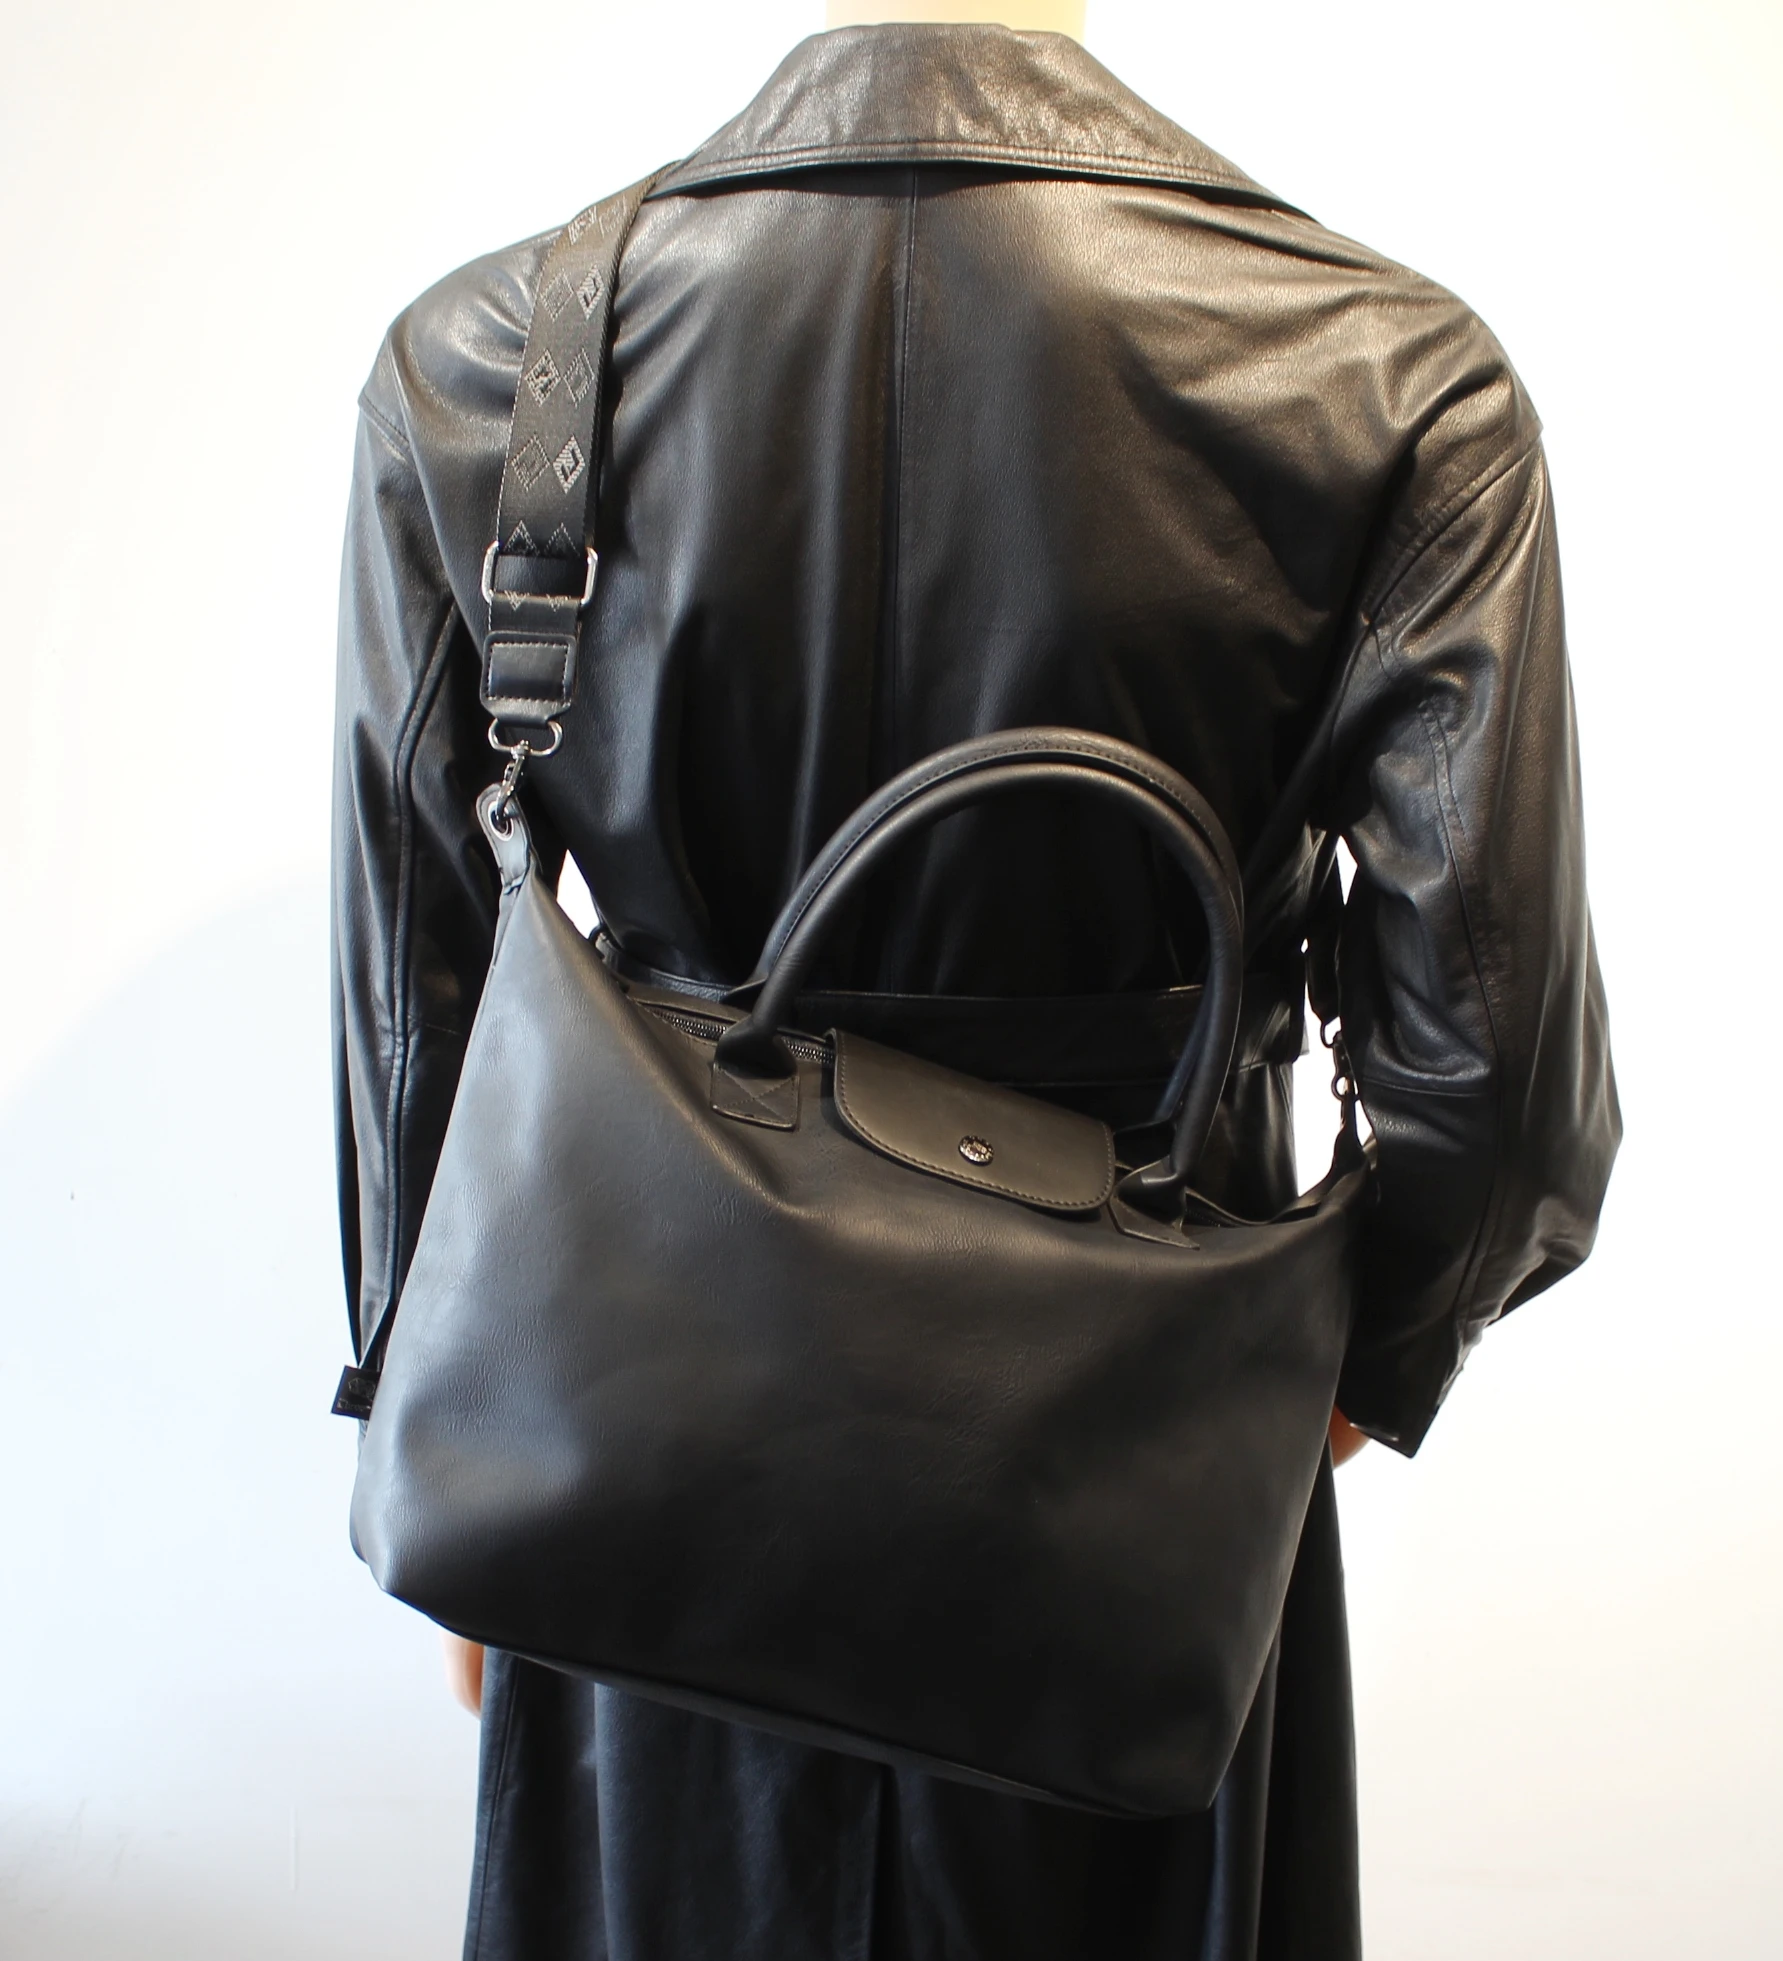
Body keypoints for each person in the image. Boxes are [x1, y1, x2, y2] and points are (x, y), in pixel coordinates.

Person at [330, 12, 1619, 1957]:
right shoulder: (1391, 378)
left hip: (639, 1414)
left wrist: (442, 1435)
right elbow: (1493, 1074)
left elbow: (411, 995)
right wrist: (1348, 1371)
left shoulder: (486, 363)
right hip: (1130, 1441)